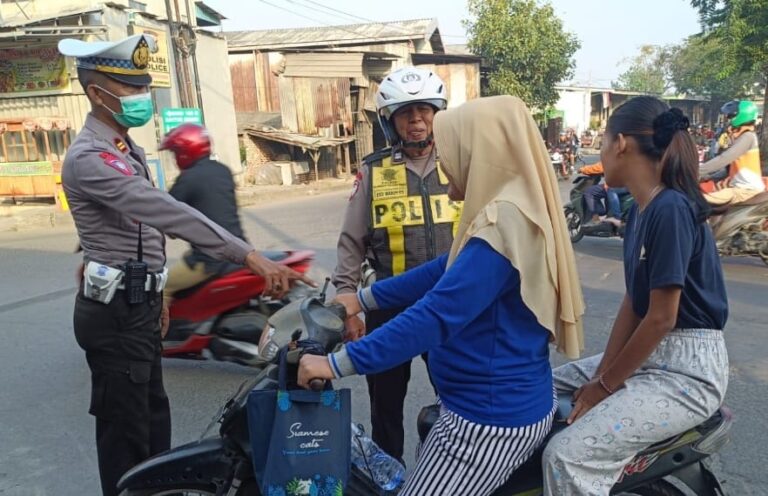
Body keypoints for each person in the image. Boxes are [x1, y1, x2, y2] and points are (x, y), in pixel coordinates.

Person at [58, 35, 311, 496]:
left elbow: (143, 229)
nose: (141, 99)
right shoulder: (91, 158)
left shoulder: (124, 149)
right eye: (130, 89)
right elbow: (168, 212)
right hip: (114, 316)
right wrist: (249, 255)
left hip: (136, 305)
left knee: (153, 425)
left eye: (141, 88)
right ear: (97, 93)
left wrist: (157, 292)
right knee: (126, 436)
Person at [301, 95, 585, 495]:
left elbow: (436, 314)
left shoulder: (504, 224)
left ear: (480, 151)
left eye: (450, 149)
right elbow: (441, 270)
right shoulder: (502, 209)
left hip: (486, 423)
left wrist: (335, 364)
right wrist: (361, 299)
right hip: (487, 401)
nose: (443, 161)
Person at [542, 97, 729, 495]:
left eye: (604, 142)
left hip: (687, 373)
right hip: (653, 357)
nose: (599, 154)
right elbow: (633, 302)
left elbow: (661, 317)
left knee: (567, 455)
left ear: (622, 143)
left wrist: (605, 387)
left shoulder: (670, 209)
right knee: (538, 384)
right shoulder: (641, 211)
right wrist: (599, 377)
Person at [332, 66, 461, 462]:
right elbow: (351, 241)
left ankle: (452, 472)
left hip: (450, 304)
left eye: (424, 110)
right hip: (387, 308)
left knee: (457, 401)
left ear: (439, 114)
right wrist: (345, 300)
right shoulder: (374, 171)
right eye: (406, 112)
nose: (417, 120)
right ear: (391, 121)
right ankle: (387, 478)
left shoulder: (460, 164)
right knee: (385, 407)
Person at [159, 123, 247, 306]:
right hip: (240, 252)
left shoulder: (188, 179)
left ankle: (157, 333)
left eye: (176, 153)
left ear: (185, 152)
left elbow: (163, 212)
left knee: (162, 289)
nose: (175, 158)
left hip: (209, 261)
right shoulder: (223, 170)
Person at [700, 100, 765, 205]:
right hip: (737, 187)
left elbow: (724, 159)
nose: (728, 120)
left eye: (730, 117)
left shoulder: (748, 137)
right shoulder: (741, 137)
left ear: (741, 116)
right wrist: (707, 177)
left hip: (746, 190)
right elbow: (728, 168)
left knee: (700, 200)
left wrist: (695, 171)